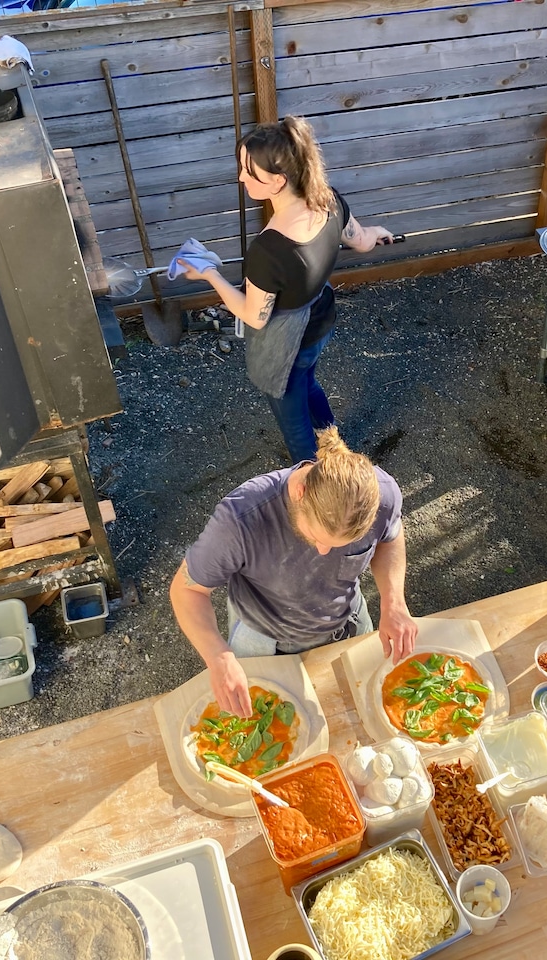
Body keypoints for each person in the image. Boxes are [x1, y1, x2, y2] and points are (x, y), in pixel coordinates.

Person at [178, 116, 396, 463]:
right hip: (321, 318)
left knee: (293, 419)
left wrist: (209, 275)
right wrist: (377, 229)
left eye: (250, 172)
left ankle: (313, 476)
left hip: (289, 343)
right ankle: (333, 441)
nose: (240, 177)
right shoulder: (330, 201)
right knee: (308, 381)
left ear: (278, 180)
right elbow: (363, 241)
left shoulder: (270, 249)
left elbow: (254, 315)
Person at [168, 426, 417, 717]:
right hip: (265, 638)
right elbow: (187, 590)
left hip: (348, 623)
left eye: (342, 546)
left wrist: (394, 603)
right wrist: (218, 657)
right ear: (300, 491)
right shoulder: (239, 520)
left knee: (360, 714)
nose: (323, 552)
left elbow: (390, 537)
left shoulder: (382, 494)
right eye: (316, 537)